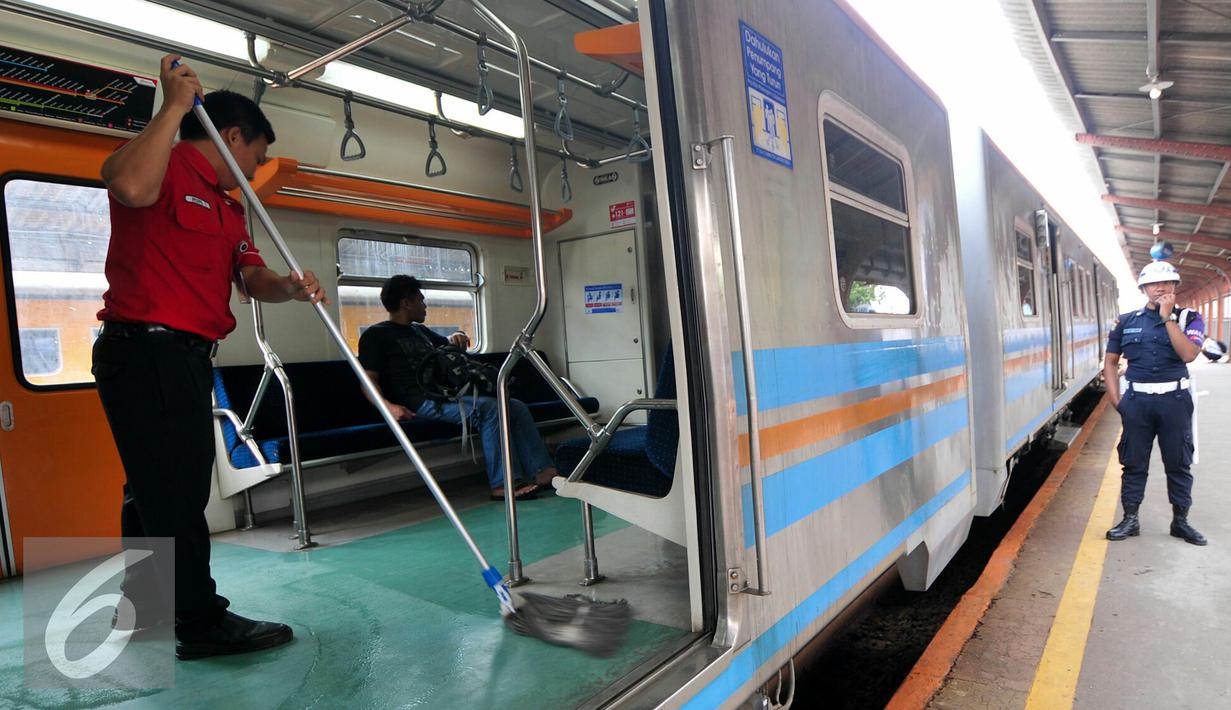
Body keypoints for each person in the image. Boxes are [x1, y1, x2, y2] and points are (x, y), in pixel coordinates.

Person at [93, 55, 327, 659]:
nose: (253, 170)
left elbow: (251, 277)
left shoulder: (228, 207)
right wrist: (173, 106)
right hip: (145, 349)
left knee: (154, 488)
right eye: (255, 156)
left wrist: (290, 287)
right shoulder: (161, 162)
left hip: (185, 357)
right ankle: (200, 623)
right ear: (232, 136)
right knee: (175, 493)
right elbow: (127, 186)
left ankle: (144, 603)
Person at [357, 275, 558, 500]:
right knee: (491, 409)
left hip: (443, 395)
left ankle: (543, 471)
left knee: (516, 407)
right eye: (420, 300)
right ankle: (504, 483)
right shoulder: (376, 335)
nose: (425, 305)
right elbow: (368, 381)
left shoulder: (420, 331)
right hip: (418, 402)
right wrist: (388, 407)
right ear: (406, 303)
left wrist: (458, 335)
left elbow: (448, 343)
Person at [1103, 260, 1207, 545]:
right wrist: (1116, 400)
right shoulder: (1126, 322)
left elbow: (1188, 354)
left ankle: (1180, 522)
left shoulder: (1189, 318)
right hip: (1137, 402)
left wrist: (1167, 318)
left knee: (1178, 462)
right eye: (1153, 284)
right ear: (1143, 288)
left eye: (1166, 282)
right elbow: (1110, 362)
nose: (1160, 287)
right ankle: (1130, 519)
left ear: (1175, 286)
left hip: (1175, 401)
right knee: (1133, 462)